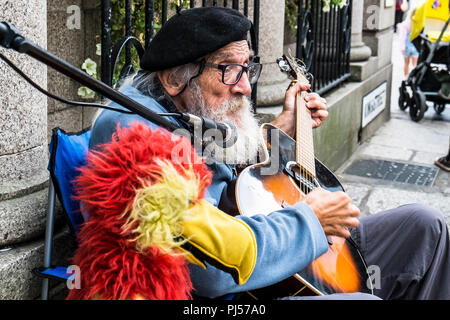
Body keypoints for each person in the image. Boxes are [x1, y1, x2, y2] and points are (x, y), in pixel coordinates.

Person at [74, 7, 450, 300]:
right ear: (175, 77)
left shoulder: (186, 110)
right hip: (232, 290)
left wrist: (280, 131)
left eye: (248, 69)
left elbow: (236, 175)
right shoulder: (135, 132)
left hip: (281, 248)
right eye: (228, 70)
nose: (245, 88)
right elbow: (212, 271)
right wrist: (309, 222)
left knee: (424, 226)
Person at [398, 9, 419, 76]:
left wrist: (402, 47)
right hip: (415, 46)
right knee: (415, 64)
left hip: (406, 46)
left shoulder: (406, 24)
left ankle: (406, 76)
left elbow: (402, 37)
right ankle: (415, 77)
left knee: (406, 63)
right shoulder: (419, 24)